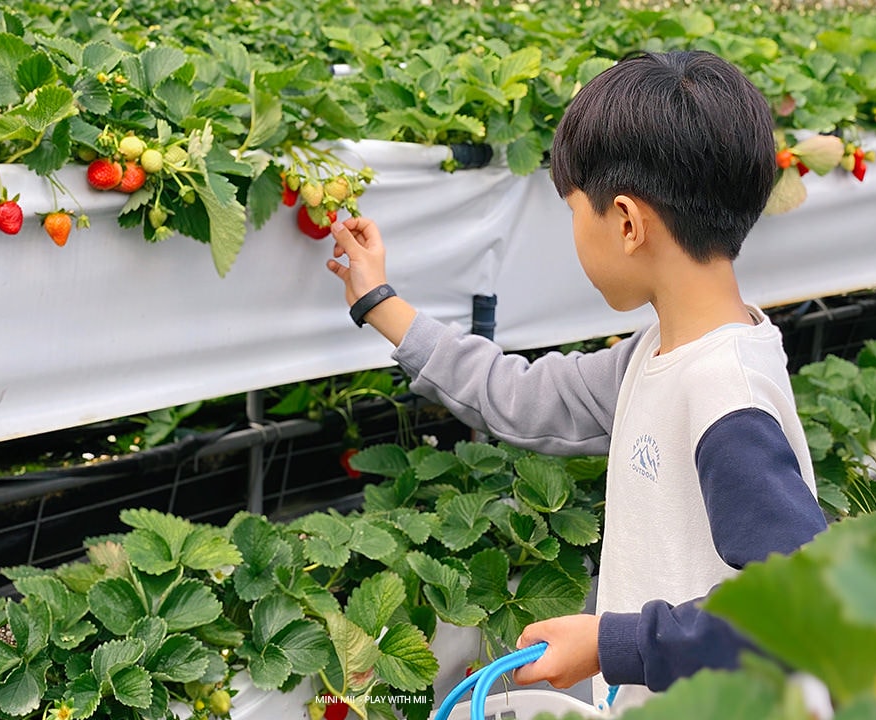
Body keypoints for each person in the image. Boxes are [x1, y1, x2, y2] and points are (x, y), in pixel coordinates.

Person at [323, 49, 828, 714]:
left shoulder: (725, 398)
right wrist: (380, 302)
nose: (572, 232)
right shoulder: (657, 354)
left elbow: (798, 611)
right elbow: (524, 397)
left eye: (572, 211)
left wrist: (611, 643)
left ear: (625, 222)